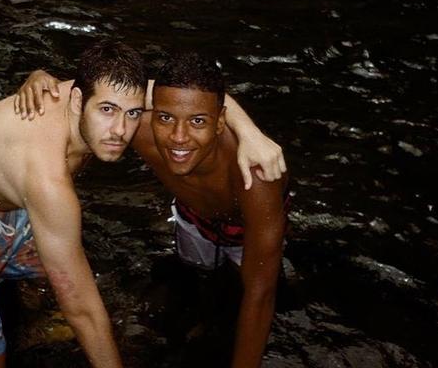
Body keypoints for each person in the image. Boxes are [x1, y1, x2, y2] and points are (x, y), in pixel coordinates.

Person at [17, 52, 288, 367]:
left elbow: (260, 295)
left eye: (197, 121)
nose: (178, 137)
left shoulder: (254, 173)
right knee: (188, 291)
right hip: (191, 220)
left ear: (221, 122)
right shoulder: (135, 128)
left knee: (249, 303)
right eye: (165, 118)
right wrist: (43, 81)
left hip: (245, 235)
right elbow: (96, 98)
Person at [0, 39, 148, 368]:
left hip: (9, 207)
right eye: (107, 110)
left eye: (133, 114)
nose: (121, 130)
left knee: (59, 287)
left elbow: (190, 91)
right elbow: (82, 310)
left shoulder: (97, 88)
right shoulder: (47, 180)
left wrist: (245, 131)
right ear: (78, 100)